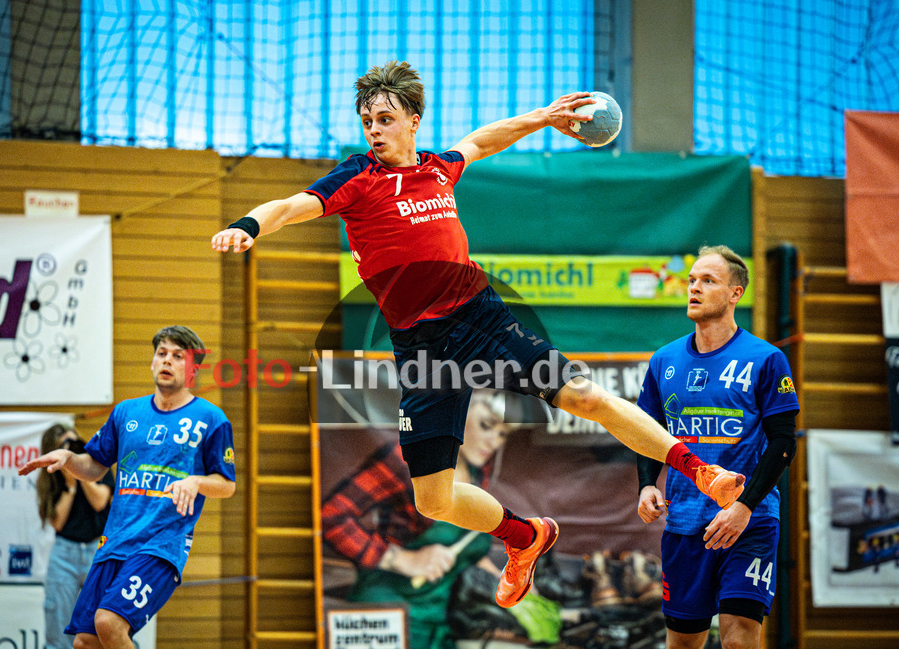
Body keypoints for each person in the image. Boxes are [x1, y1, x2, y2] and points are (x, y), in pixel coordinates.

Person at [212, 60, 746, 609]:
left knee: (584, 395)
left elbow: (482, 141)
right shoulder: (357, 178)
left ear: (412, 120)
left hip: (481, 317)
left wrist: (543, 117)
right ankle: (525, 537)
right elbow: (291, 205)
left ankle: (702, 472)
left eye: (385, 118)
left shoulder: (438, 168)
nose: (374, 128)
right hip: (422, 349)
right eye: (367, 119)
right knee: (433, 500)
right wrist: (248, 225)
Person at [19, 326, 235, 649]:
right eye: (162, 353)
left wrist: (196, 481)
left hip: (160, 546)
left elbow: (226, 485)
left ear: (193, 369)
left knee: (109, 622)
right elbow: (95, 465)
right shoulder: (126, 413)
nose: (167, 360)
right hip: (114, 543)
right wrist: (69, 459)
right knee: (86, 642)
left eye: (177, 356)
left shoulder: (211, 419)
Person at [634, 246, 799, 649]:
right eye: (691, 280)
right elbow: (644, 431)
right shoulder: (664, 360)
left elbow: (784, 443)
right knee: (682, 647)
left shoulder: (765, 359)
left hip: (749, 521)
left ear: (734, 293)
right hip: (686, 525)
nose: (694, 287)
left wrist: (744, 506)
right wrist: (647, 484)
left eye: (708, 280)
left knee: (738, 642)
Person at [321, 390, 510, 649]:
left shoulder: (479, 468)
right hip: (388, 614)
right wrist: (403, 560)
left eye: (502, 434)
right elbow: (331, 518)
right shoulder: (406, 459)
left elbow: (465, 545)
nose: (493, 442)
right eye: (486, 425)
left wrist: (510, 584)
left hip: (439, 620)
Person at [36, 424, 115, 649]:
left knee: (108, 628)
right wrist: (69, 483)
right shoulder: (51, 477)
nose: (71, 449)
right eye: (64, 445)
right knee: (59, 635)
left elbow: (101, 501)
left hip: (98, 550)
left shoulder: (97, 465)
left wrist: (81, 473)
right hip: (64, 554)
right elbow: (57, 522)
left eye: (74, 442)